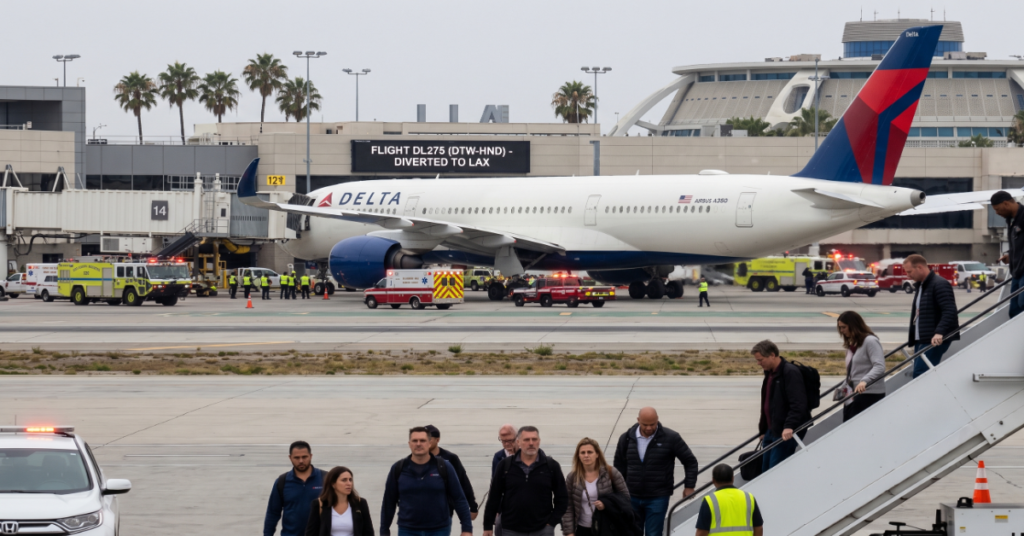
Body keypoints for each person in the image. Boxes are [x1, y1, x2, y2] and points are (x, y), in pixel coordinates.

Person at [613, 407, 698, 536]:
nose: (649, 428)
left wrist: (689, 486)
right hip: (631, 497)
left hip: (658, 497)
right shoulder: (626, 438)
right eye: (645, 424)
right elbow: (619, 466)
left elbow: (690, 461)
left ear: (657, 420)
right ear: (638, 420)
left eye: (652, 424)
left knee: (653, 533)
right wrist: (619, 492)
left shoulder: (671, 437)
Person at [380, 427, 472, 536]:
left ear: (429, 443)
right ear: (409, 444)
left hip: (439, 530)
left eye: (422, 440)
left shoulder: (444, 467)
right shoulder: (398, 468)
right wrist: (384, 531)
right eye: (415, 441)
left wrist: (467, 529)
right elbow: (388, 502)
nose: (418, 444)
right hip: (407, 530)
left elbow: (459, 499)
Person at [484, 426, 569, 536]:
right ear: (518, 442)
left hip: (542, 530)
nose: (531, 443)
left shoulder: (551, 466)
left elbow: (562, 498)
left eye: (534, 439)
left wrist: (552, 522)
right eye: (526, 440)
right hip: (511, 529)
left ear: (539, 441)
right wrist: (488, 526)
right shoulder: (505, 465)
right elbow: (494, 497)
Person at [752, 340, 810, 472]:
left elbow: (798, 403)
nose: (758, 363)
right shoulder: (770, 373)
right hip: (771, 430)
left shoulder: (789, 372)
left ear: (772, 355)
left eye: (760, 360)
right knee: (765, 472)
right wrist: (763, 430)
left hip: (784, 432)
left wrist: (789, 426)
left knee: (775, 472)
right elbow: (767, 403)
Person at [904, 255, 959, 378]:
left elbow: (950, 310)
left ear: (919, 267)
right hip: (922, 338)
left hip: (933, 339)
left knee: (921, 374)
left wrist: (939, 332)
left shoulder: (939, 284)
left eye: (909, 272)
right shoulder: (922, 286)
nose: (908, 276)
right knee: (919, 373)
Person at [561, 438, 629, 536]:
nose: (586, 455)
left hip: (606, 528)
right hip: (582, 529)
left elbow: (625, 498)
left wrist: (606, 504)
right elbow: (568, 506)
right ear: (578, 456)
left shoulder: (611, 473)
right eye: (582, 453)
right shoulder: (572, 477)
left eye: (590, 452)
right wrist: (569, 532)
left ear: (597, 454)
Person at [264, 441, 328, 536]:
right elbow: (273, 513)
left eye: (304, 457)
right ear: (290, 458)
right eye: (296, 458)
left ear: (311, 456)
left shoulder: (326, 479)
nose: (301, 461)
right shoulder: (282, 482)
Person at [837, 311, 886, 422]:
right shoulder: (853, 344)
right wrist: (844, 387)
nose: (841, 331)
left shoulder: (870, 341)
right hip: (853, 394)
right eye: (840, 328)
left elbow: (879, 366)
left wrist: (864, 381)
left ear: (853, 326)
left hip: (868, 393)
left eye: (844, 327)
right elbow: (853, 371)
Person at [424, 424, 478, 521]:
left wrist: (472, 506)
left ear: (437, 440)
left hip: (444, 511)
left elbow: (463, 481)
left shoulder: (450, 458)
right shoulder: (415, 459)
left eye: (429, 438)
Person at [694, 465, 763, 536]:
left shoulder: (709, 500)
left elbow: (701, 532)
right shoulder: (749, 497)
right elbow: (758, 528)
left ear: (713, 480)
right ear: (733, 478)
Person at [306, 466, 375, 536]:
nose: (349, 483)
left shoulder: (360, 503)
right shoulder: (319, 504)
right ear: (333, 484)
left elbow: (368, 532)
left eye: (350, 480)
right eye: (344, 480)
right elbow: (311, 533)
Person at [992, 190, 1024, 318]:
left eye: (997, 209)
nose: (997, 213)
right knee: (1014, 310)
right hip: (1017, 272)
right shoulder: (1011, 220)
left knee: (1022, 305)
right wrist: (1011, 256)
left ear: (1006, 204)